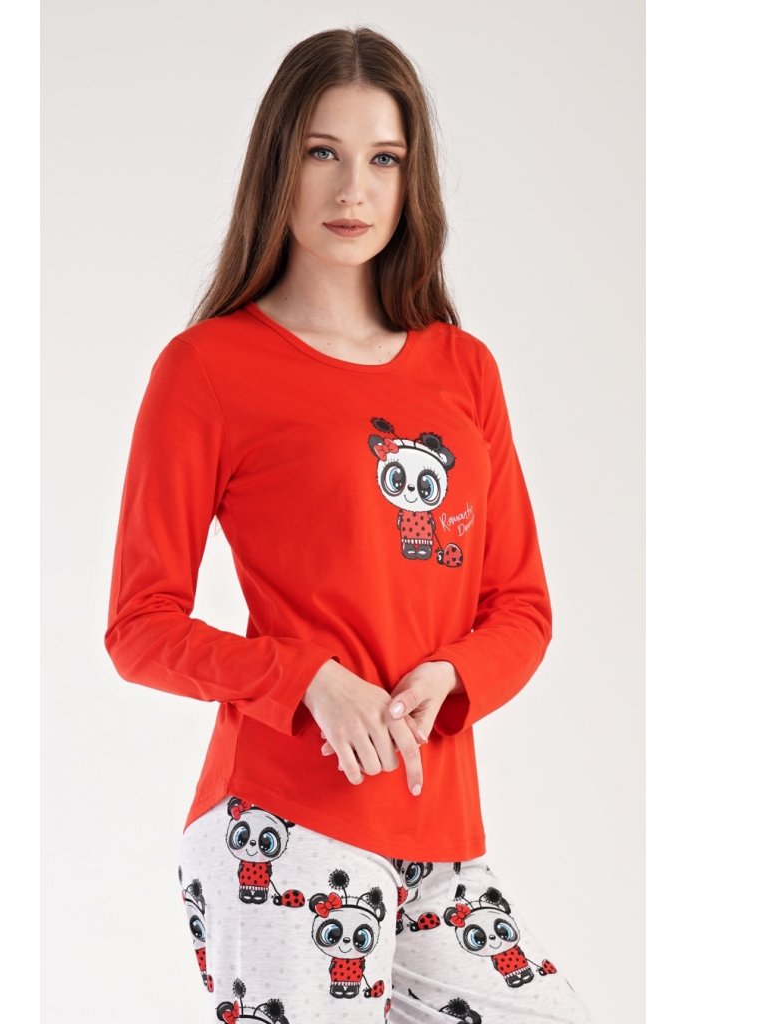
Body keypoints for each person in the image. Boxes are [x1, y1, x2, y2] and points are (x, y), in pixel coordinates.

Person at [104, 25, 595, 1023]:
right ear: (277, 164)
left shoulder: (463, 369)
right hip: (280, 824)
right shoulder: (207, 370)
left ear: (413, 181)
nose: (352, 191)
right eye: (322, 152)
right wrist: (306, 680)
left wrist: (453, 677)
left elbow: (521, 606)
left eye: (384, 159)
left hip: (439, 829)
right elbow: (139, 628)